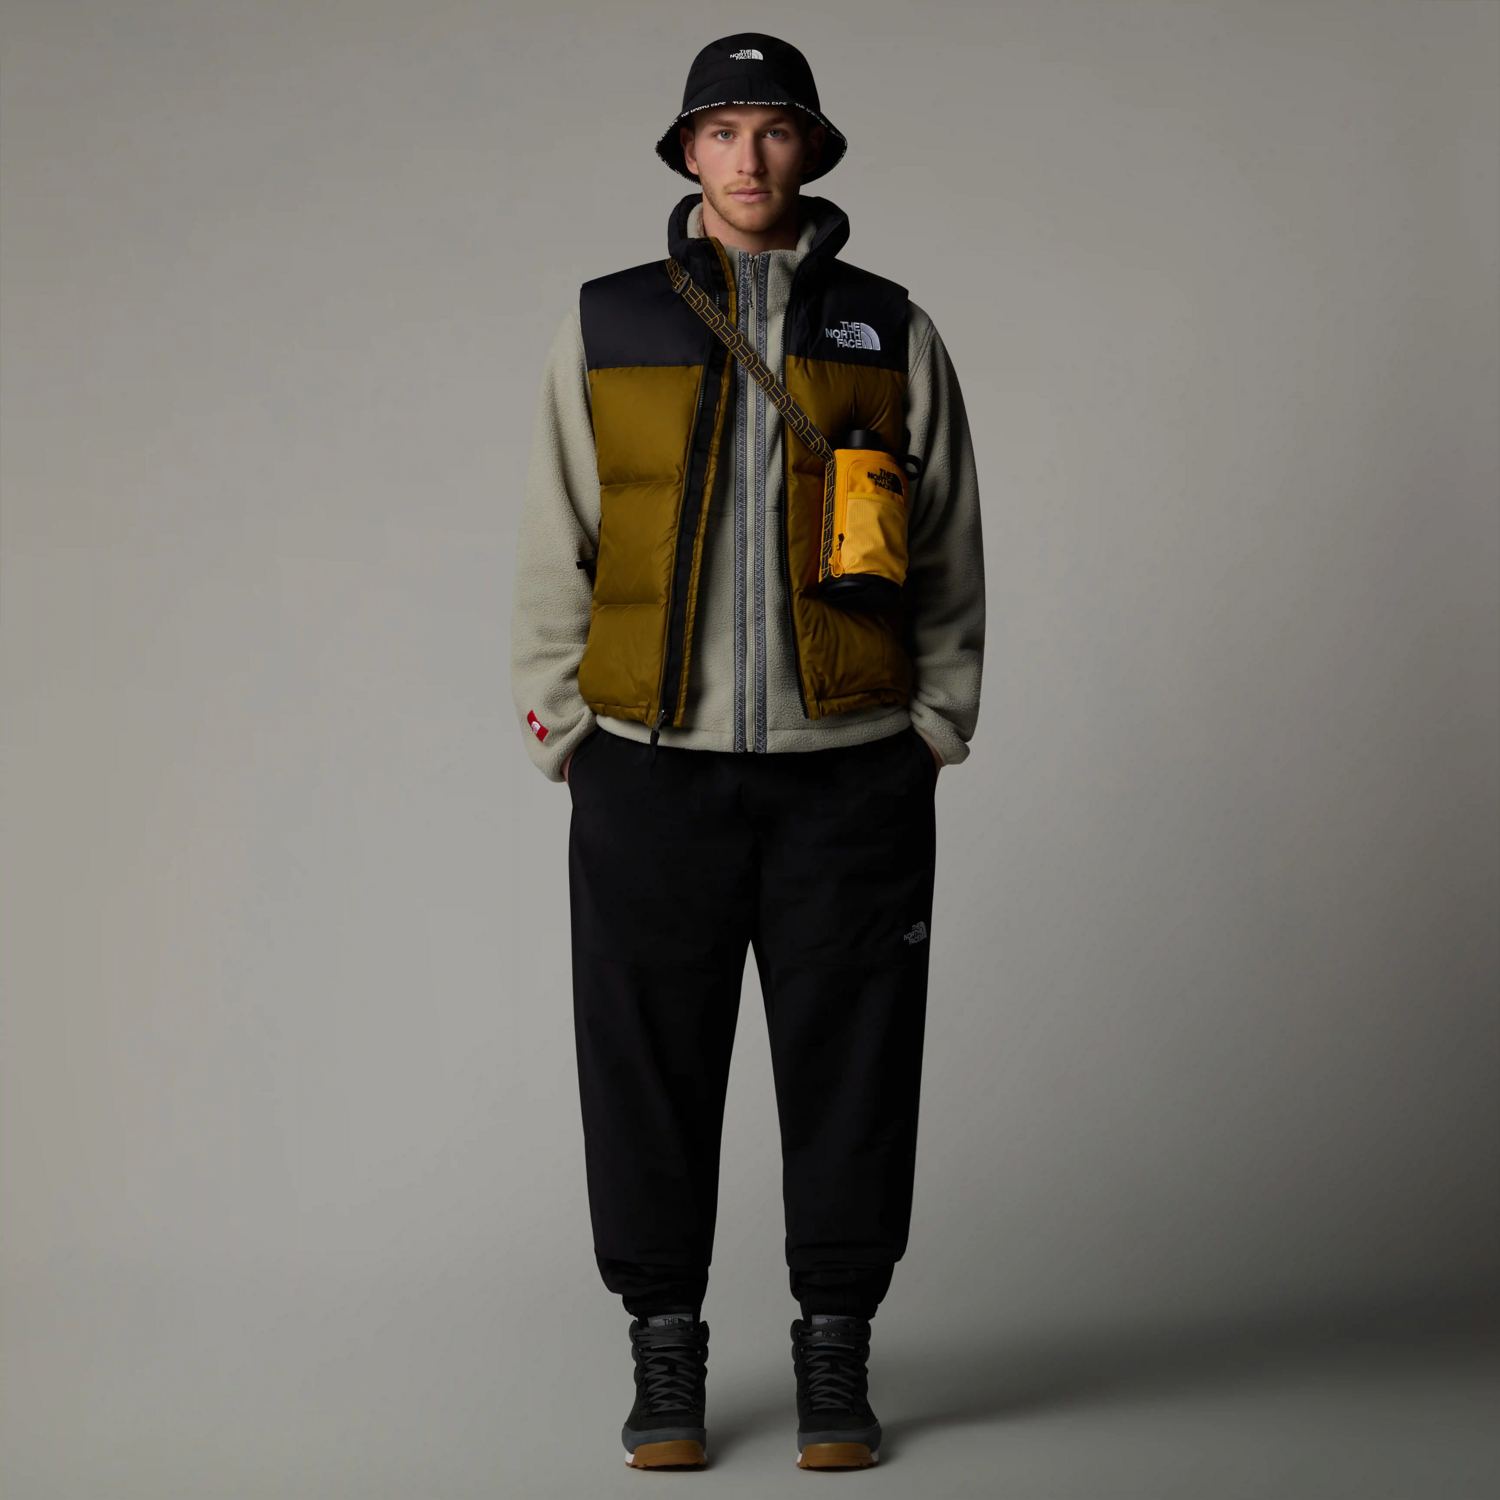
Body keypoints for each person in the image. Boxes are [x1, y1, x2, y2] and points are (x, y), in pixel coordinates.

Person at [509, 32, 985, 1472]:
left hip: (852, 769)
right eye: (721, 131)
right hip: (650, 768)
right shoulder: (606, 323)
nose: (748, 157)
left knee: (855, 1061)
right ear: (685, 154)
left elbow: (947, 539)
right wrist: (565, 728)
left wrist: (933, 723)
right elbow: (556, 531)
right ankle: (664, 1349)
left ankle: (835, 1349)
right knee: (645, 1061)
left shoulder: (889, 329)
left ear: (811, 151)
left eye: (774, 130)